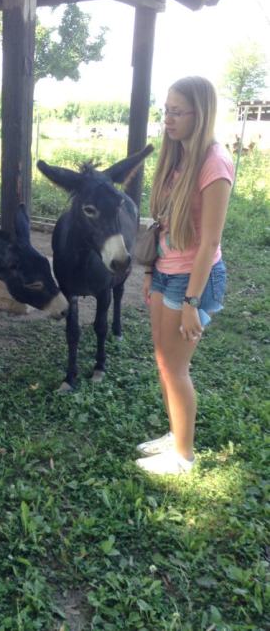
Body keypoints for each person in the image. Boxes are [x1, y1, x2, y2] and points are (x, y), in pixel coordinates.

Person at [136, 76, 235, 476]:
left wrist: (193, 301)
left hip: (193, 280)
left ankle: (184, 457)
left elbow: (210, 241)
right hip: (165, 272)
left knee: (176, 369)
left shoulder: (215, 163)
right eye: (166, 111)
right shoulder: (176, 157)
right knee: (163, 362)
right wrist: (150, 270)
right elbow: (162, 223)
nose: (168, 120)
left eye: (177, 112)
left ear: (201, 113)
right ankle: (176, 434)